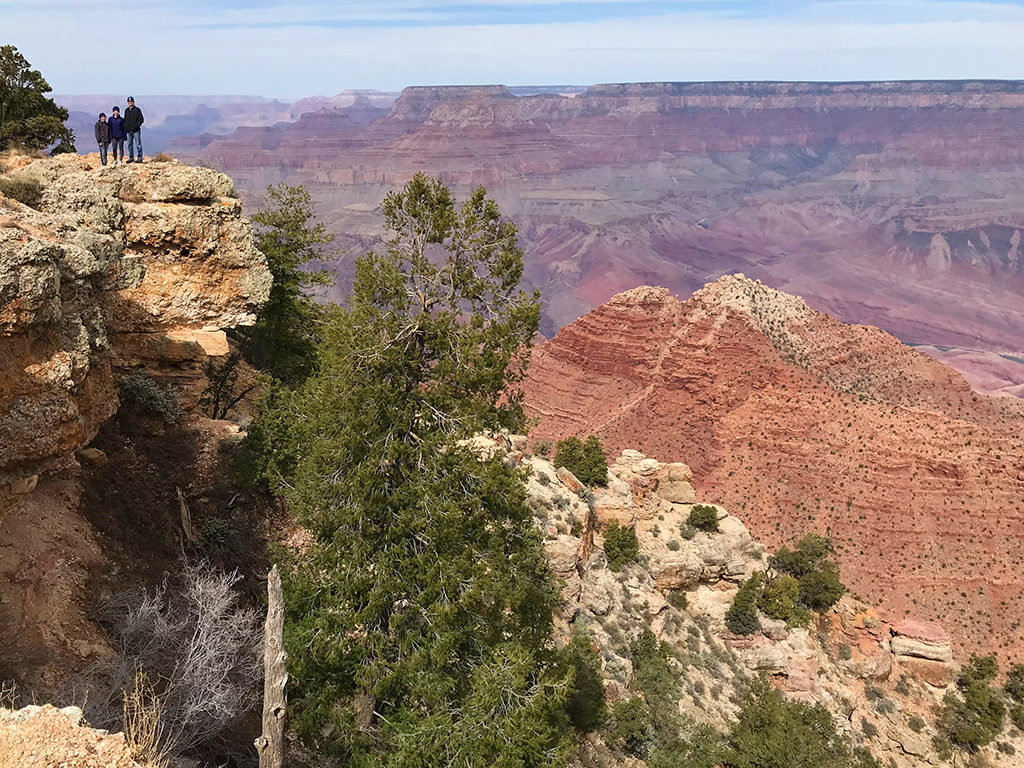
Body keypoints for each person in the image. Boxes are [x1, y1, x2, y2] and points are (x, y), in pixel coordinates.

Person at [123, 96, 144, 163]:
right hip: (128, 131)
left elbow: (141, 119)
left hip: (136, 131)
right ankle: (131, 157)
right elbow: (125, 120)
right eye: (129, 102)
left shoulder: (137, 110)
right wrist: (125, 127)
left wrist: (136, 126)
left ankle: (140, 158)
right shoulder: (126, 110)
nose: (130, 103)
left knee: (138, 144)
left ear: (133, 102)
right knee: (129, 145)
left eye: (131, 101)